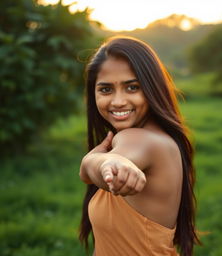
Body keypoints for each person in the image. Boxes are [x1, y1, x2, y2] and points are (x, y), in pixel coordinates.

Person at [79, 36, 200, 256]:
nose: (118, 101)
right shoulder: (160, 137)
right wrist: (98, 162)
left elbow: (110, 162)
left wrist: (103, 161)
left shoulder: (141, 139)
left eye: (132, 87)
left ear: (153, 88)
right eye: (106, 90)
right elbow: (89, 172)